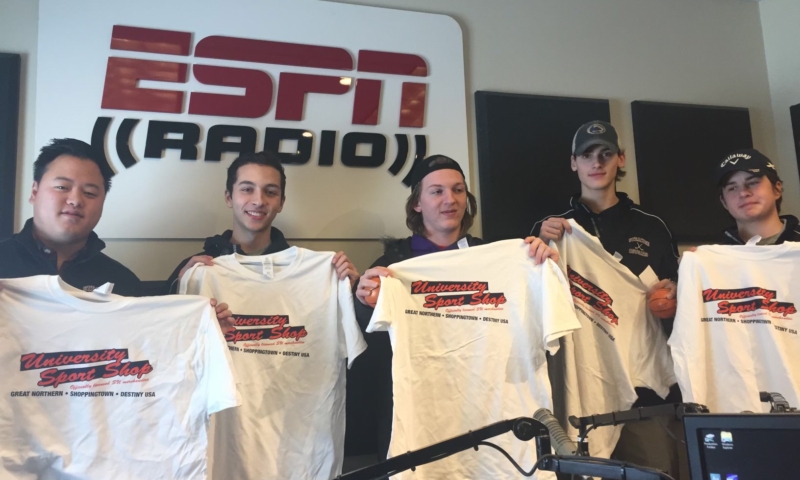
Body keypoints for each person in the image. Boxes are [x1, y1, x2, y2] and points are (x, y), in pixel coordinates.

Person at [346, 154, 557, 461]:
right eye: (437, 191)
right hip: (418, 417)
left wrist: (543, 266)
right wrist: (363, 301)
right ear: (417, 203)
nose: (450, 199)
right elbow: (368, 337)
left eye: (458, 190)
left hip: (488, 411)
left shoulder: (496, 258)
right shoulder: (393, 265)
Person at [529, 121, 682, 477]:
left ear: (620, 159)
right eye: (586, 155)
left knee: (654, 472)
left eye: (605, 154)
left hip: (644, 392)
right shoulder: (553, 229)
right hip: (582, 387)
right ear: (574, 163)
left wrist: (673, 296)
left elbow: (678, 299)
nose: (596, 163)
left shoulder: (652, 226)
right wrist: (540, 243)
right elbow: (534, 308)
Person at [166, 150, 359, 294]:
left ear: (281, 203)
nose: (259, 201)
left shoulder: (309, 271)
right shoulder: (197, 267)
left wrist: (350, 293)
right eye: (247, 189)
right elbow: (166, 330)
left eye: (270, 192)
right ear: (229, 198)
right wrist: (180, 289)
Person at [0, 138, 141, 296]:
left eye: (90, 193)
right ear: (34, 192)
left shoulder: (124, 283)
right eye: (62, 187)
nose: (75, 200)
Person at [716, 148, 800, 245]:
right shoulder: (710, 252)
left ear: (777, 189)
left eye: (753, 183)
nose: (743, 193)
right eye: (732, 188)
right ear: (724, 202)